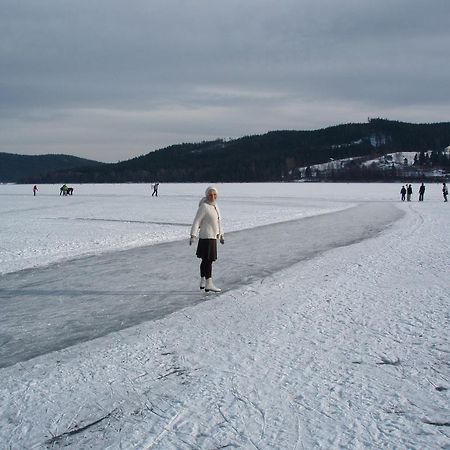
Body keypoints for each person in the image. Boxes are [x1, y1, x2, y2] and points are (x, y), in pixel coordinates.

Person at [190, 186, 224, 293]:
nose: (212, 197)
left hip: (213, 236)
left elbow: (219, 222)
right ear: (206, 195)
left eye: (214, 195)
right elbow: (196, 221)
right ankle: (209, 283)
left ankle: (203, 280)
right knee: (208, 260)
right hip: (207, 237)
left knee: (205, 260)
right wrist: (193, 235)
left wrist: (221, 235)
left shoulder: (215, 206)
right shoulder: (204, 206)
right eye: (210, 194)